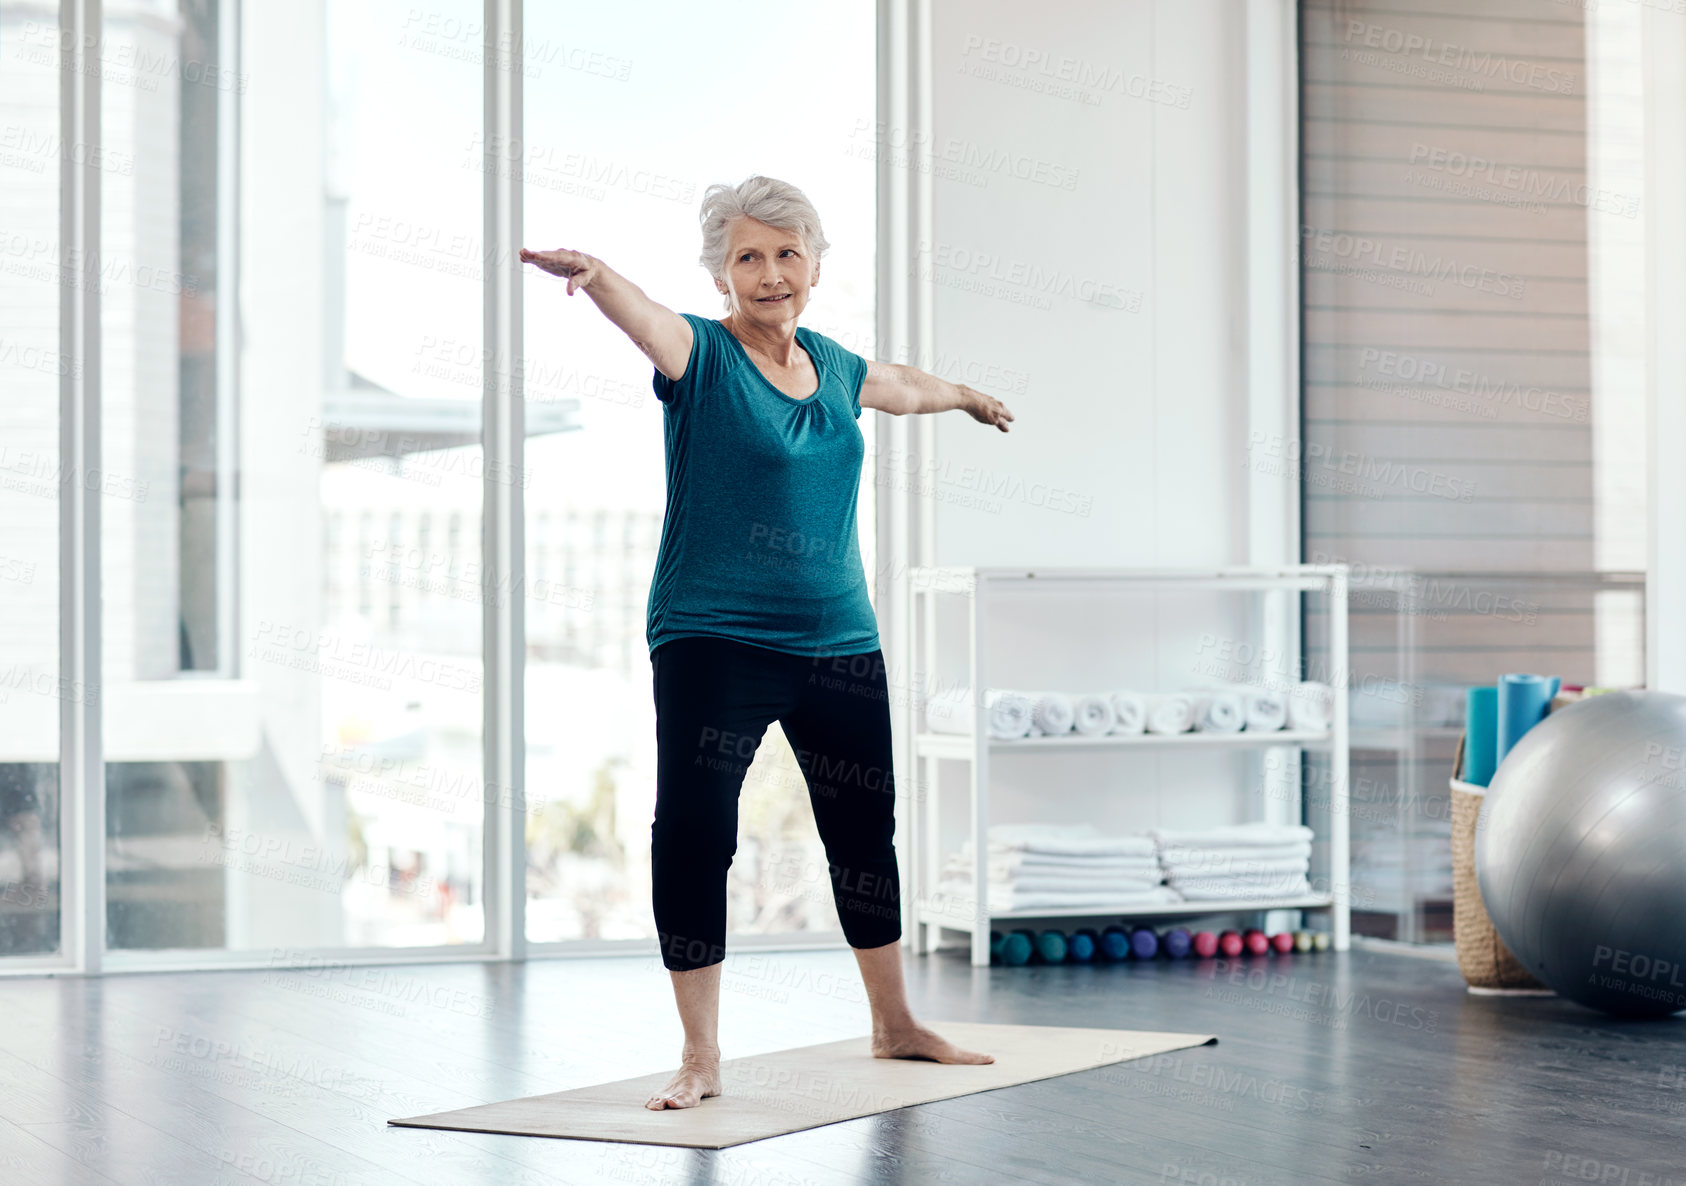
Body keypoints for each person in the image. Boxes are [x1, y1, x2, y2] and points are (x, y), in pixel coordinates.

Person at [520, 174, 1013, 1112]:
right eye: (749, 256)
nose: (771, 272)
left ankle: (895, 1023)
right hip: (714, 639)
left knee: (865, 833)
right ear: (723, 276)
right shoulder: (700, 357)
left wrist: (967, 396)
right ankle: (701, 1056)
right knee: (697, 836)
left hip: (839, 638)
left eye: (789, 254)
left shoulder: (832, 365)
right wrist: (597, 273)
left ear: (816, 269)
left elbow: (901, 385)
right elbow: (648, 323)